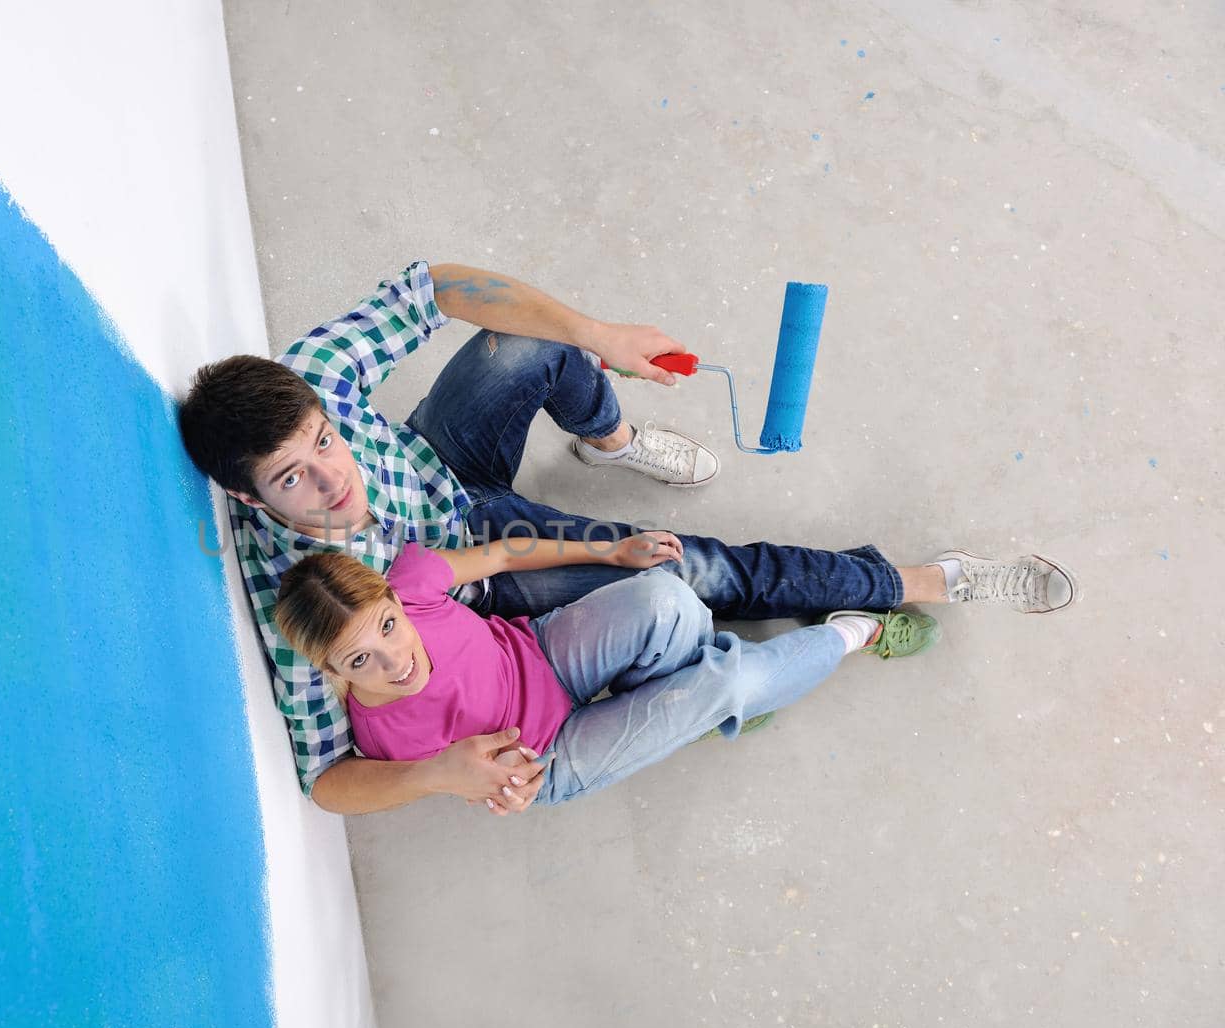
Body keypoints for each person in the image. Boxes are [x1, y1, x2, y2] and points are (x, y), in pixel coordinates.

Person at [178, 261, 1080, 816]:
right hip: (471, 577)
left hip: (440, 466)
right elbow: (327, 775)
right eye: (294, 479)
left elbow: (435, 286)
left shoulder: (317, 378)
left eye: (325, 443)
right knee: (695, 565)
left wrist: (595, 333)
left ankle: (609, 438)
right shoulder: (292, 592)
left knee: (524, 346)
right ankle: (918, 581)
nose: (335, 478)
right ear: (241, 492)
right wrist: (439, 775)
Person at [273, 533, 939, 810]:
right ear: (332, 669)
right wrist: (447, 774)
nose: (396, 660)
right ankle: (857, 632)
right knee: (731, 683)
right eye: (361, 660)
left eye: (388, 627)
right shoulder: (383, 734)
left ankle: (693, 710)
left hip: (542, 652)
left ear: (393, 599)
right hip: (544, 757)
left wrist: (611, 551)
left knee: (668, 595)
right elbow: (329, 789)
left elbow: (503, 553)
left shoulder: (413, 581)